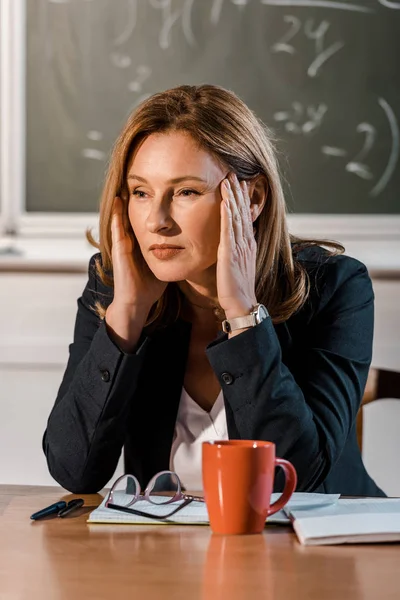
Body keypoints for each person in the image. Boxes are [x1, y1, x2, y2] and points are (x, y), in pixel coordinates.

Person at [43, 84, 385, 496]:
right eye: (140, 192)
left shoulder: (335, 287)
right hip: (165, 555)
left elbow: (297, 479)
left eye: (186, 191)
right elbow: (73, 471)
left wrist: (243, 315)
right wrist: (126, 316)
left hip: (314, 552)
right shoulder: (115, 288)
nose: (157, 221)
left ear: (253, 197)